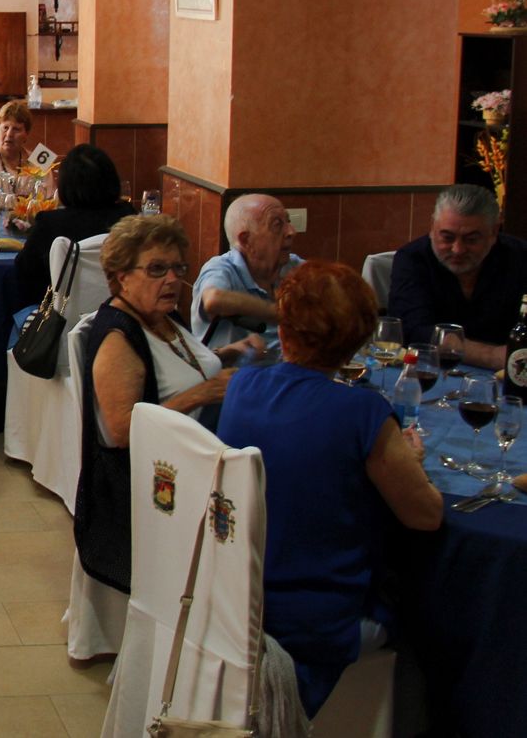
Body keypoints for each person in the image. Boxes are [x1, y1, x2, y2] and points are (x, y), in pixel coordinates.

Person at [217, 261, 443, 717]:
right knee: (433, 612)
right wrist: (412, 462)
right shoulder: (363, 413)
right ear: (359, 338)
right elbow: (426, 515)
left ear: (285, 328)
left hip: (232, 603)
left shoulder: (243, 384)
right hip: (313, 626)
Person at [76, 215, 263, 592]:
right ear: (121, 277)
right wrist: (204, 393)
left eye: (178, 268)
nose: (173, 280)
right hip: (153, 491)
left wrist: (227, 353)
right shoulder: (118, 338)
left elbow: (173, 368)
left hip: (195, 461)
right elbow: (123, 431)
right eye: (157, 269)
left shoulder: (161, 315)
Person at [389, 183, 527, 369]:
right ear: (432, 227)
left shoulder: (520, 258)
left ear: (494, 232)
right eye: (447, 237)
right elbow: (411, 331)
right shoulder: (412, 259)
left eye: (471, 240)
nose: (458, 250)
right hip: (430, 370)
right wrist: (491, 356)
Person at [13, 144, 136, 306]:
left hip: (64, 316)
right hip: (122, 310)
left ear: (65, 185)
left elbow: (23, 271)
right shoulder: (128, 217)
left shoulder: (51, 224)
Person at [190, 193, 302, 350]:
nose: (291, 232)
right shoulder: (222, 268)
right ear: (245, 240)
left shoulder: (294, 266)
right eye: (277, 225)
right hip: (235, 365)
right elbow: (213, 300)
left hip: (293, 364)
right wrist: (278, 314)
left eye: (288, 222)